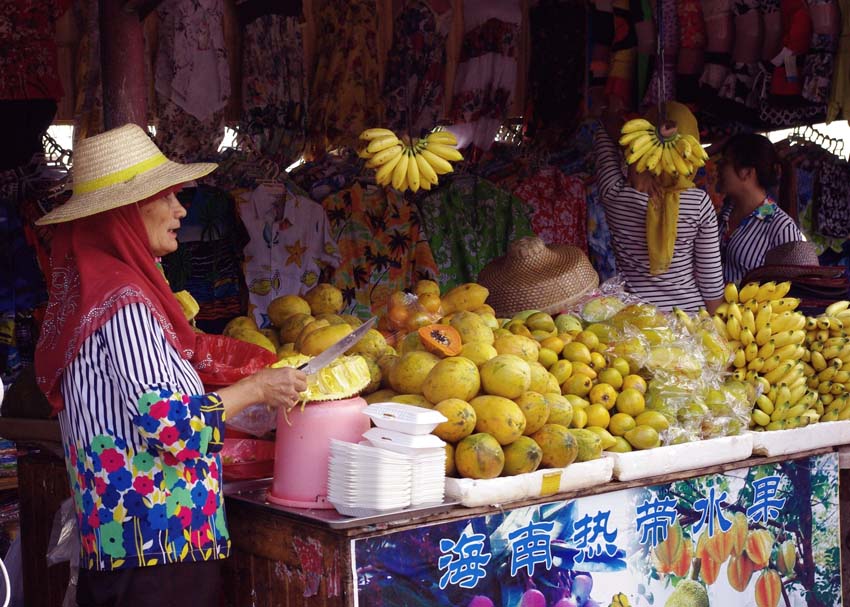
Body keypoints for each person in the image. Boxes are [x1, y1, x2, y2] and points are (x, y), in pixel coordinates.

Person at [33, 124, 307, 607]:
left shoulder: (101, 299)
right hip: (156, 549)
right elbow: (174, 427)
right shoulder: (125, 306)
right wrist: (258, 389)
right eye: (167, 197)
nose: (182, 209)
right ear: (123, 215)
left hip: (138, 546)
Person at [594, 101, 725, 313]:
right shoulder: (699, 203)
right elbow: (710, 281)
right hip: (689, 321)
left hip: (635, 320)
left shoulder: (615, 194)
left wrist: (641, 159)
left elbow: (605, 127)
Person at [716, 132, 805, 284]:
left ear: (747, 172)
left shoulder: (781, 228)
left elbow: (795, 290)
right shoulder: (722, 215)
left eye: (725, 162)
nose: (718, 167)